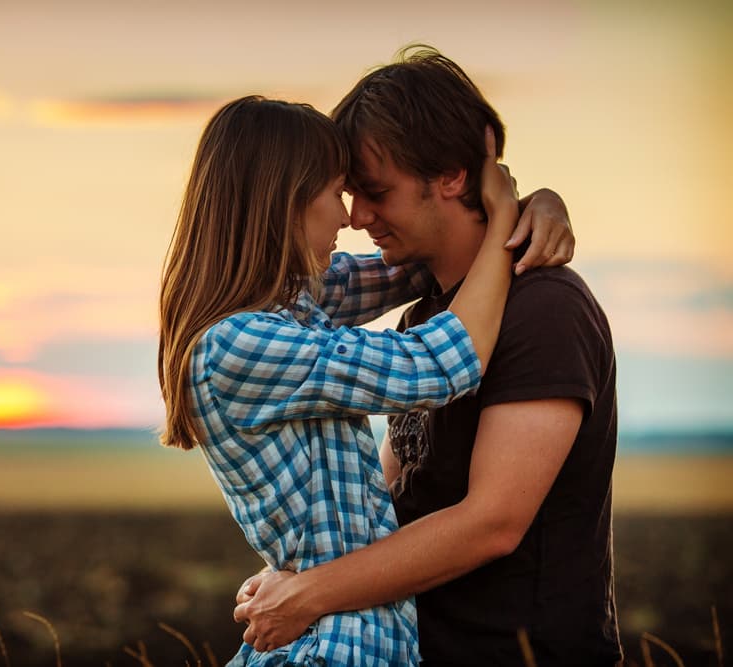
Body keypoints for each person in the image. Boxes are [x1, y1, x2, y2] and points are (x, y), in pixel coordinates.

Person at [233, 47, 621, 666]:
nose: (358, 218)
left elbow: (492, 523)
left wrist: (309, 593)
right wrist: (285, 573)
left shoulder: (546, 308)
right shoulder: (428, 317)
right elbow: (386, 496)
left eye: (377, 193)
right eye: (350, 194)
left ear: (453, 176)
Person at [158, 94, 574, 665]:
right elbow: (436, 364)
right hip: (330, 648)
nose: (349, 216)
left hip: (350, 637)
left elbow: (414, 262)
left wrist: (537, 205)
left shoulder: (293, 306)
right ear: (286, 204)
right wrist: (503, 216)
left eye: (364, 194)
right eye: (337, 193)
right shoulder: (243, 342)